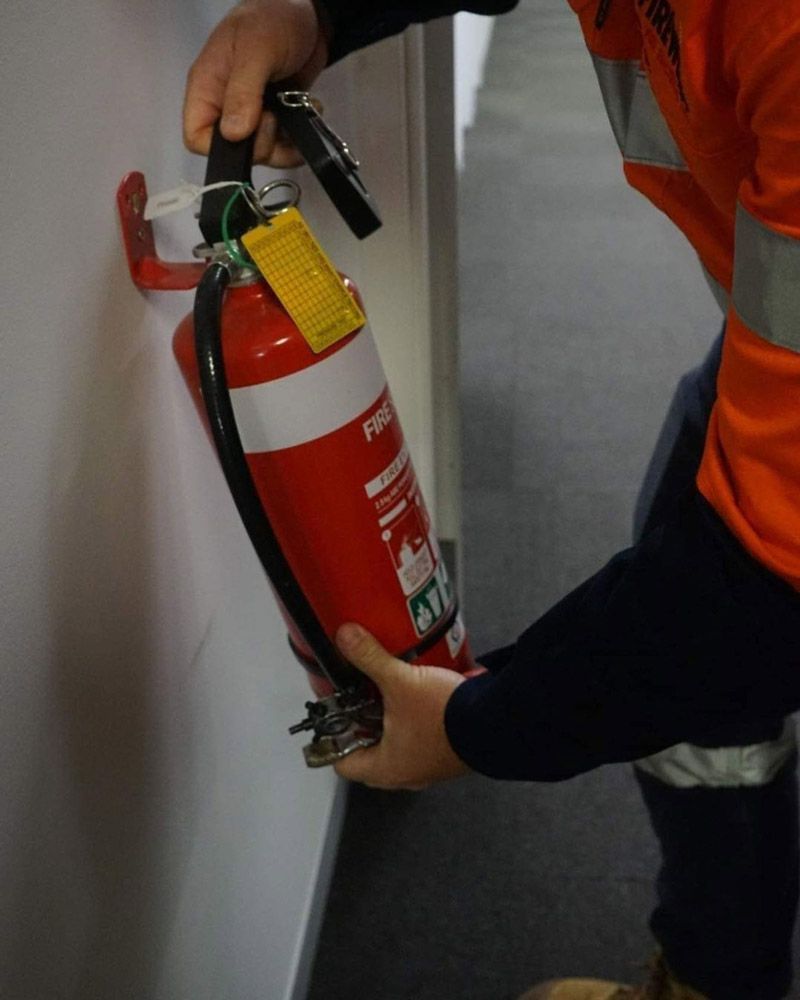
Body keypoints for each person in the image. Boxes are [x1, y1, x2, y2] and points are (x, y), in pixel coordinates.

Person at [183, 2, 800, 997]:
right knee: (687, 537)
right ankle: (717, 973)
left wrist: (478, 724)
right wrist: (317, 19)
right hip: (769, 349)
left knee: (713, 590)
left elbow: (755, 593)